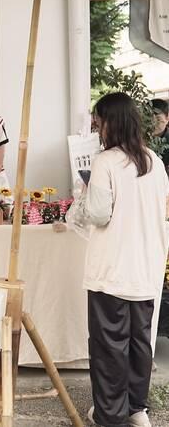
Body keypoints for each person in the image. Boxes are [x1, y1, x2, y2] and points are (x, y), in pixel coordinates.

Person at [66, 93, 169, 427]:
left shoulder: (105, 161)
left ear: (111, 123)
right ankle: (137, 409)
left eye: (99, 122)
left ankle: (110, 415)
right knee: (140, 343)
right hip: (147, 268)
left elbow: (97, 213)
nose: (98, 129)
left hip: (110, 268)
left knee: (110, 346)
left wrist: (79, 202)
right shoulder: (154, 161)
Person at [152, 98, 168, 175]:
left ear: (167, 118)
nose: (153, 124)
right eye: (149, 119)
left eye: (158, 119)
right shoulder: (138, 140)